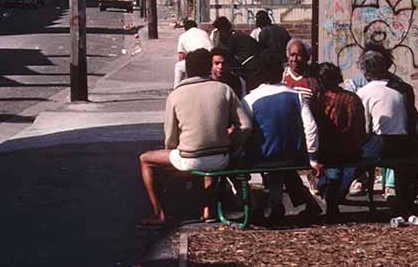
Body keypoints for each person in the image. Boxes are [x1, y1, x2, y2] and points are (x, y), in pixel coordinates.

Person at [139, 48, 253, 228]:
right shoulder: (224, 89)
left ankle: (159, 213)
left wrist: (176, 149)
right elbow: (245, 126)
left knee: (145, 159)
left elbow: (170, 139)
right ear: (208, 67)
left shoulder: (175, 95)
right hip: (220, 158)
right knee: (209, 155)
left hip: (189, 159)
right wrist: (232, 143)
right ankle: (207, 209)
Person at [241, 51, 323, 222]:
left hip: (263, 156)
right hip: (293, 155)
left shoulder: (250, 99)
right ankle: (286, 203)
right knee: (283, 167)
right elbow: (311, 127)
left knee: (270, 165)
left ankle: (262, 205)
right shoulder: (296, 95)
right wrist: (313, 157)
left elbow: (246, 130)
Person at [356, 50, 418, 219]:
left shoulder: (364, 92)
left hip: (381, 142)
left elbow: (365, 127)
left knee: (353, 158)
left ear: (365, 70)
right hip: (403, 143)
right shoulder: (399, 90)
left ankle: (336, 194)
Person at [310, 63, 366, 218]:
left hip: (327, 150)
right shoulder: (352, 98)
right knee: (341, 173)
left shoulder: (320, 101)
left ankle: (329, 195)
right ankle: (333, 194)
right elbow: (360, 128)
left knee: (332, 174)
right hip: (350, 150)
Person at [173, 19, 213, 88]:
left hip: (197, 61)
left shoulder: (183, 36)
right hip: (210, 60)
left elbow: (181, 57)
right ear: (196, 26)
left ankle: (176, 87)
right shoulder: (204, 33)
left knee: (178, 66)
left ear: (185, 29)